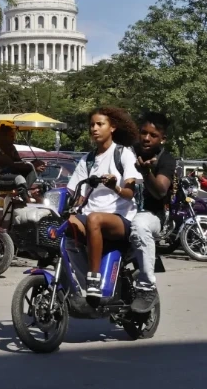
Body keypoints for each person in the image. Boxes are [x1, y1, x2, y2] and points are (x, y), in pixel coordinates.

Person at [65, 107, 143, 298]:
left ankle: (94, 279)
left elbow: (129, 193)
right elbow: (77, 194)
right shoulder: (87, 160)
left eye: (100, 124)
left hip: (121, 219)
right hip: (91, 217)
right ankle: (79, 280)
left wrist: (115, 187)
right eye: (92, 125)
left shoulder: (123, 154)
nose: (94, 128)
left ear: (112, 127)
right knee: (65, 226)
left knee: (94, 219)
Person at [126, 112, 175, 313]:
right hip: (123, 212)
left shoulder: (166, 160)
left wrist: (146, 173)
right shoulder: (127, 153)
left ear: (163, 138)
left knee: (139, 225)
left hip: (152, 215)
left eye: (153, 135)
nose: (146, 138)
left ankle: (147, 288)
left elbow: (160, 191)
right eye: (143, 133)